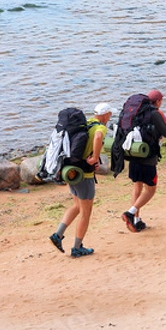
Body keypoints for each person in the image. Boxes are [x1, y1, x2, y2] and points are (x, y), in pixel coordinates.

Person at [49, 103, 113, 258]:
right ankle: (77, 248)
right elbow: (98, 137)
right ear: (106, 115)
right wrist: (96, 157)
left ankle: (58, 235)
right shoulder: (100, 128)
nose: (111, 117)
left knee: (77, 206)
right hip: (85, 176)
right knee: (86, 212)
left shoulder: (87, 123)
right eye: (110, 114)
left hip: (72, 171)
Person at [121, 89, 166, 232]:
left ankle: (137, 221)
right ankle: (130, 213)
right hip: (147, 157)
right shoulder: (155, 113)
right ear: (157, 101)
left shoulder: (137, 113)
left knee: (137, 187)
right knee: (150, 190)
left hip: (133, 153)